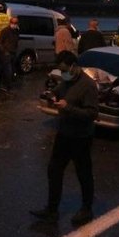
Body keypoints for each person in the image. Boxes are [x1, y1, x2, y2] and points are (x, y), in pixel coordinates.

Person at [30, 51, 99, 225]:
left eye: (65, 70)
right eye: (60, 71)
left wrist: (68, 108)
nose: (63, 74)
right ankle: (52, 209)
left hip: (81, 136)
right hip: (64, 133)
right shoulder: (66, 81)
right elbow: (57, 91)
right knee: (54, 170)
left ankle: (86, 209)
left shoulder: (88, 85)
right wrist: (52, 96)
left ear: (74, 67)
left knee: (83, 173)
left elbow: (92, 113)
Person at [0, 16, 19, 91]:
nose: (14, 24)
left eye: (16, 23)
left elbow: (16, 42)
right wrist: (4, 51)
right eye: (13, 23)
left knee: (11, 70)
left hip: (13, 53)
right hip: (6, 54)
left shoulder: (16, 31)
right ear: (10, 23)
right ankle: (6, 86)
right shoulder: (5, 31)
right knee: (8, 70)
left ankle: (7, 85)